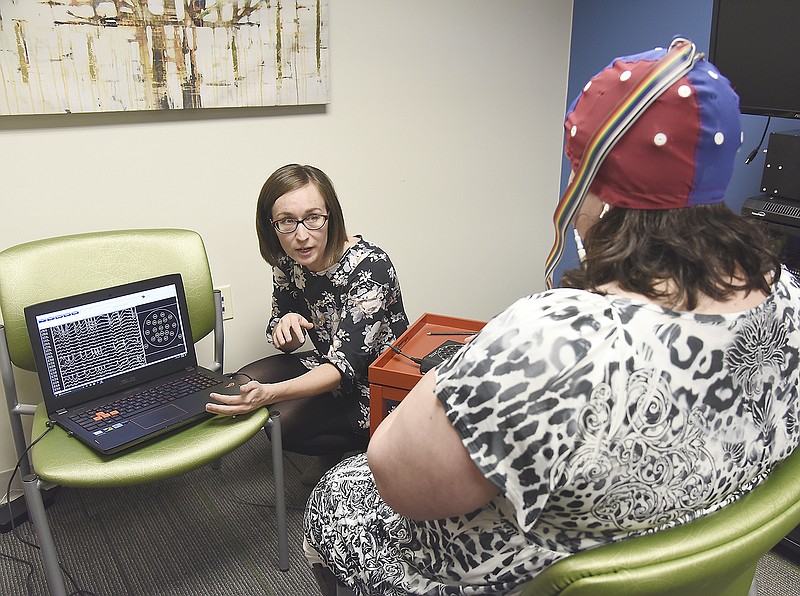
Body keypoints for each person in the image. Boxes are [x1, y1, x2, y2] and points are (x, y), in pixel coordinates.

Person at [301, 39, 800, 595]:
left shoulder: (554, 344)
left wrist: (483, 363)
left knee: (338, 498)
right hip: (686, 543)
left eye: (577, 173)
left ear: (600, 194)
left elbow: (396, 478)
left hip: (538, 570)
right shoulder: (788, 295)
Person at [206, 164, 409, 483]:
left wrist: (270, 394)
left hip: (376, 384)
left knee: (281, 423)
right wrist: (284, 329)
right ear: (272, 225)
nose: (301, 235)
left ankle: (360, 449)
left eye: (313, 217)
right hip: (329, 364)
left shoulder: (371, 267)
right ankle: (341, 443)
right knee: (244, 381)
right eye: (287, 221)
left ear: (331, 215)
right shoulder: (288, 261)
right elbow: (283, 332)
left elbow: (344, 369)